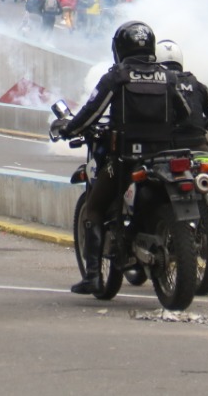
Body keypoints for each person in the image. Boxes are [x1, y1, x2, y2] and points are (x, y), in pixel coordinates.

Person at [49, 21, 190, 295]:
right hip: (162, 159)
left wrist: (68, 128)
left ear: (119, 48)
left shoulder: (118, 76)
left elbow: (90, 111)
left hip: (123, 161)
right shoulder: (168, 77)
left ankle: (92, 276)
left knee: (93, 208)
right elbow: (183, 114)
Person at [155, 39, 208, 153]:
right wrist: (199, 123)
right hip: (198, 147)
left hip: (165, 150)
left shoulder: (154, 83)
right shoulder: (196, 84)